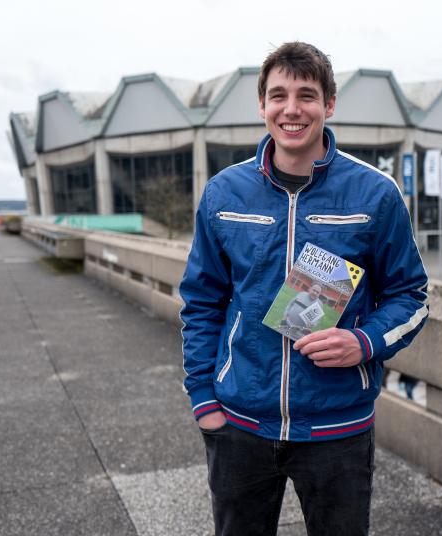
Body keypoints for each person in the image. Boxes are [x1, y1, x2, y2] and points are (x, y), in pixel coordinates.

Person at [180, 42, 428, 536]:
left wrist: (364, 342)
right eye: (278, 96)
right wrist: (203, 399)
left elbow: (412, 297)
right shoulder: (224, 194)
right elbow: (201, 301)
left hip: (338, 429)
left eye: (306, 95)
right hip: (239, 424)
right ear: (262, 106)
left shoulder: (375, 194)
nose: (291, 109)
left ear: (329, 104)